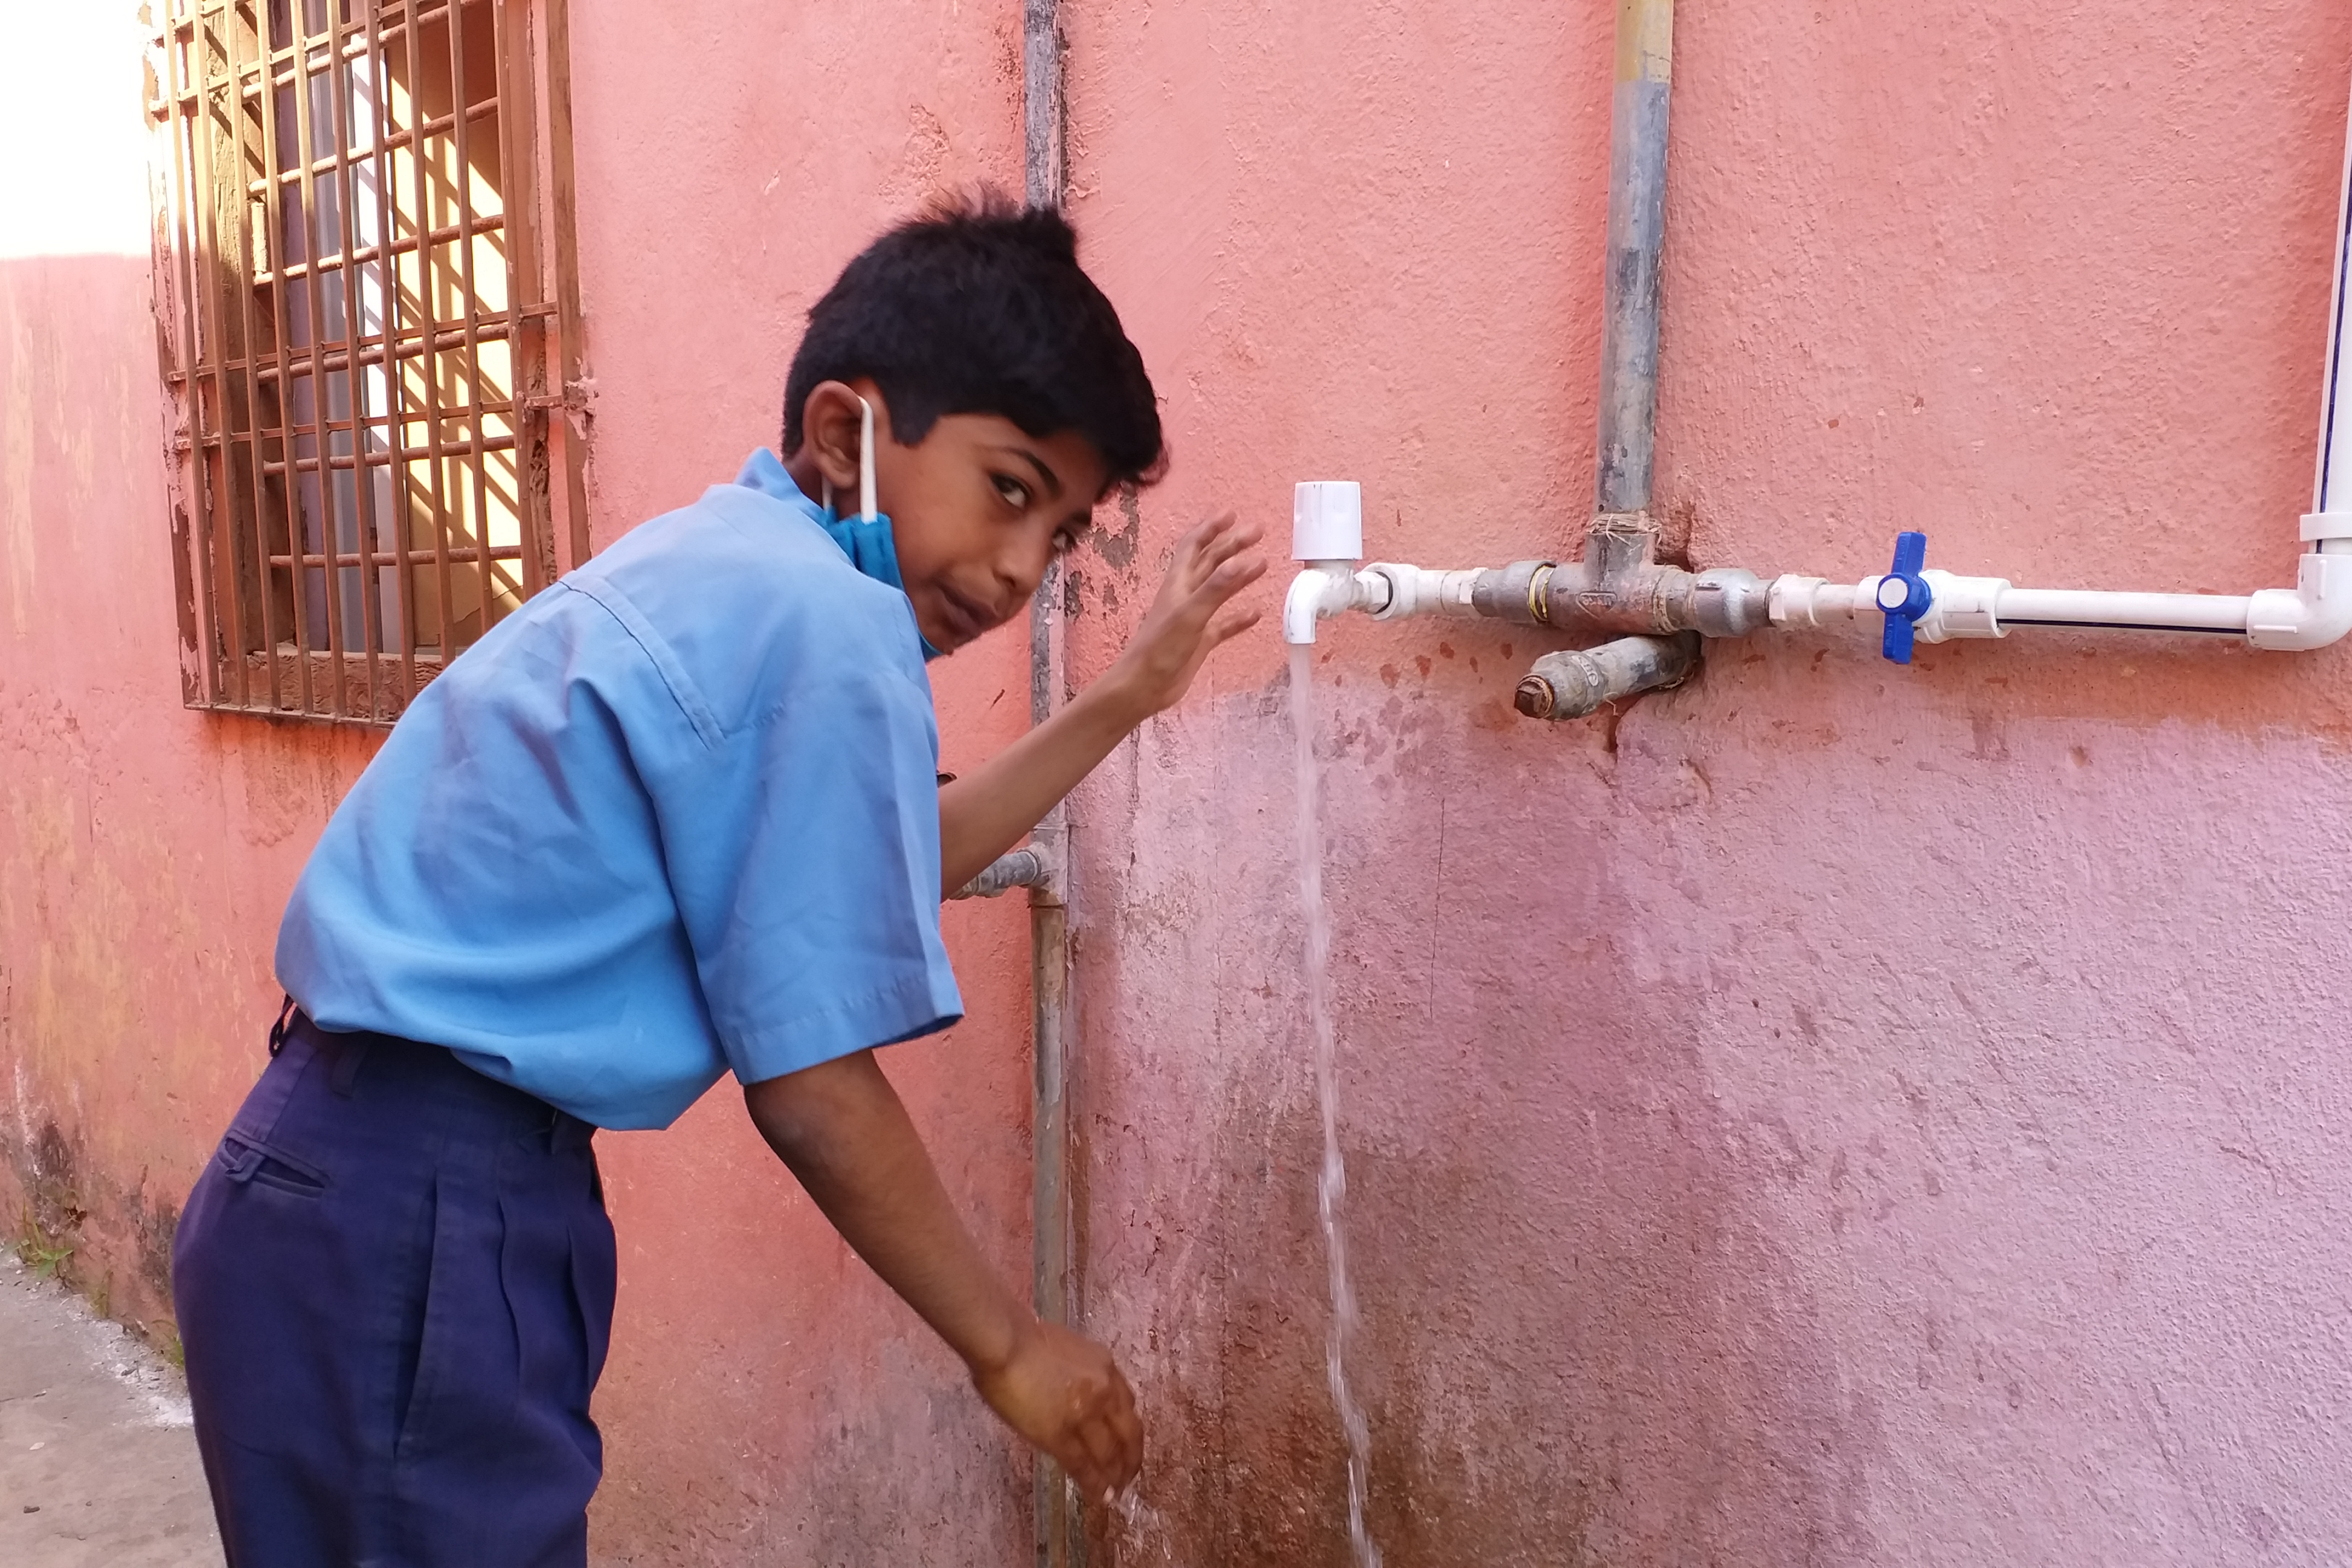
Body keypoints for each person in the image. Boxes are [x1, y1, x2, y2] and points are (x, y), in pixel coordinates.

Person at [171, 195, 1267, 1567]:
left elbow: (862, 873)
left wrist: (1120, 701)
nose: (1014, 570)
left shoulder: (729, 559)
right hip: (428, 1212)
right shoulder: (825, 619)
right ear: (841, 431)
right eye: (1006, 488)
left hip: (336, 1184)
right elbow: (811, 1083)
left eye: (1055, 536)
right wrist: (1012, 1347)